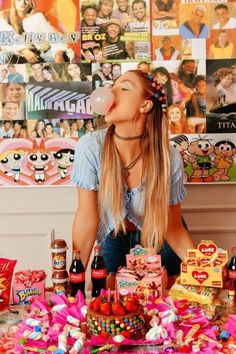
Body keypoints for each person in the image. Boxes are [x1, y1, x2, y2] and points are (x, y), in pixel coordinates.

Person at [71, 69, 195, 278]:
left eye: (124, 87)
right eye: (113, 86)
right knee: (116, 303)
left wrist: (206, 269)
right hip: (115, 239)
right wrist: (73, 282)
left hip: (160, 241)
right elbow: (86, 218)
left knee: (167, 305)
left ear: (145, 105)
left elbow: (173, 226)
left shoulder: (168, 157)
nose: (111, 92)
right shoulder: (90, 147)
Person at [0, 0, 74, 64]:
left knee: (64, 56)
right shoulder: (5, 17)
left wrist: (58, 55)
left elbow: (54, 37)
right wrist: (24, 51)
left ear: (31, 2)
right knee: (3, 55)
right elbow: (6, 43)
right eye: (19, 0)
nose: (23, 2)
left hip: (40, 55)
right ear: (14, 2)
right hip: (20, 55)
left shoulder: (38, 16)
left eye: (27, 0)